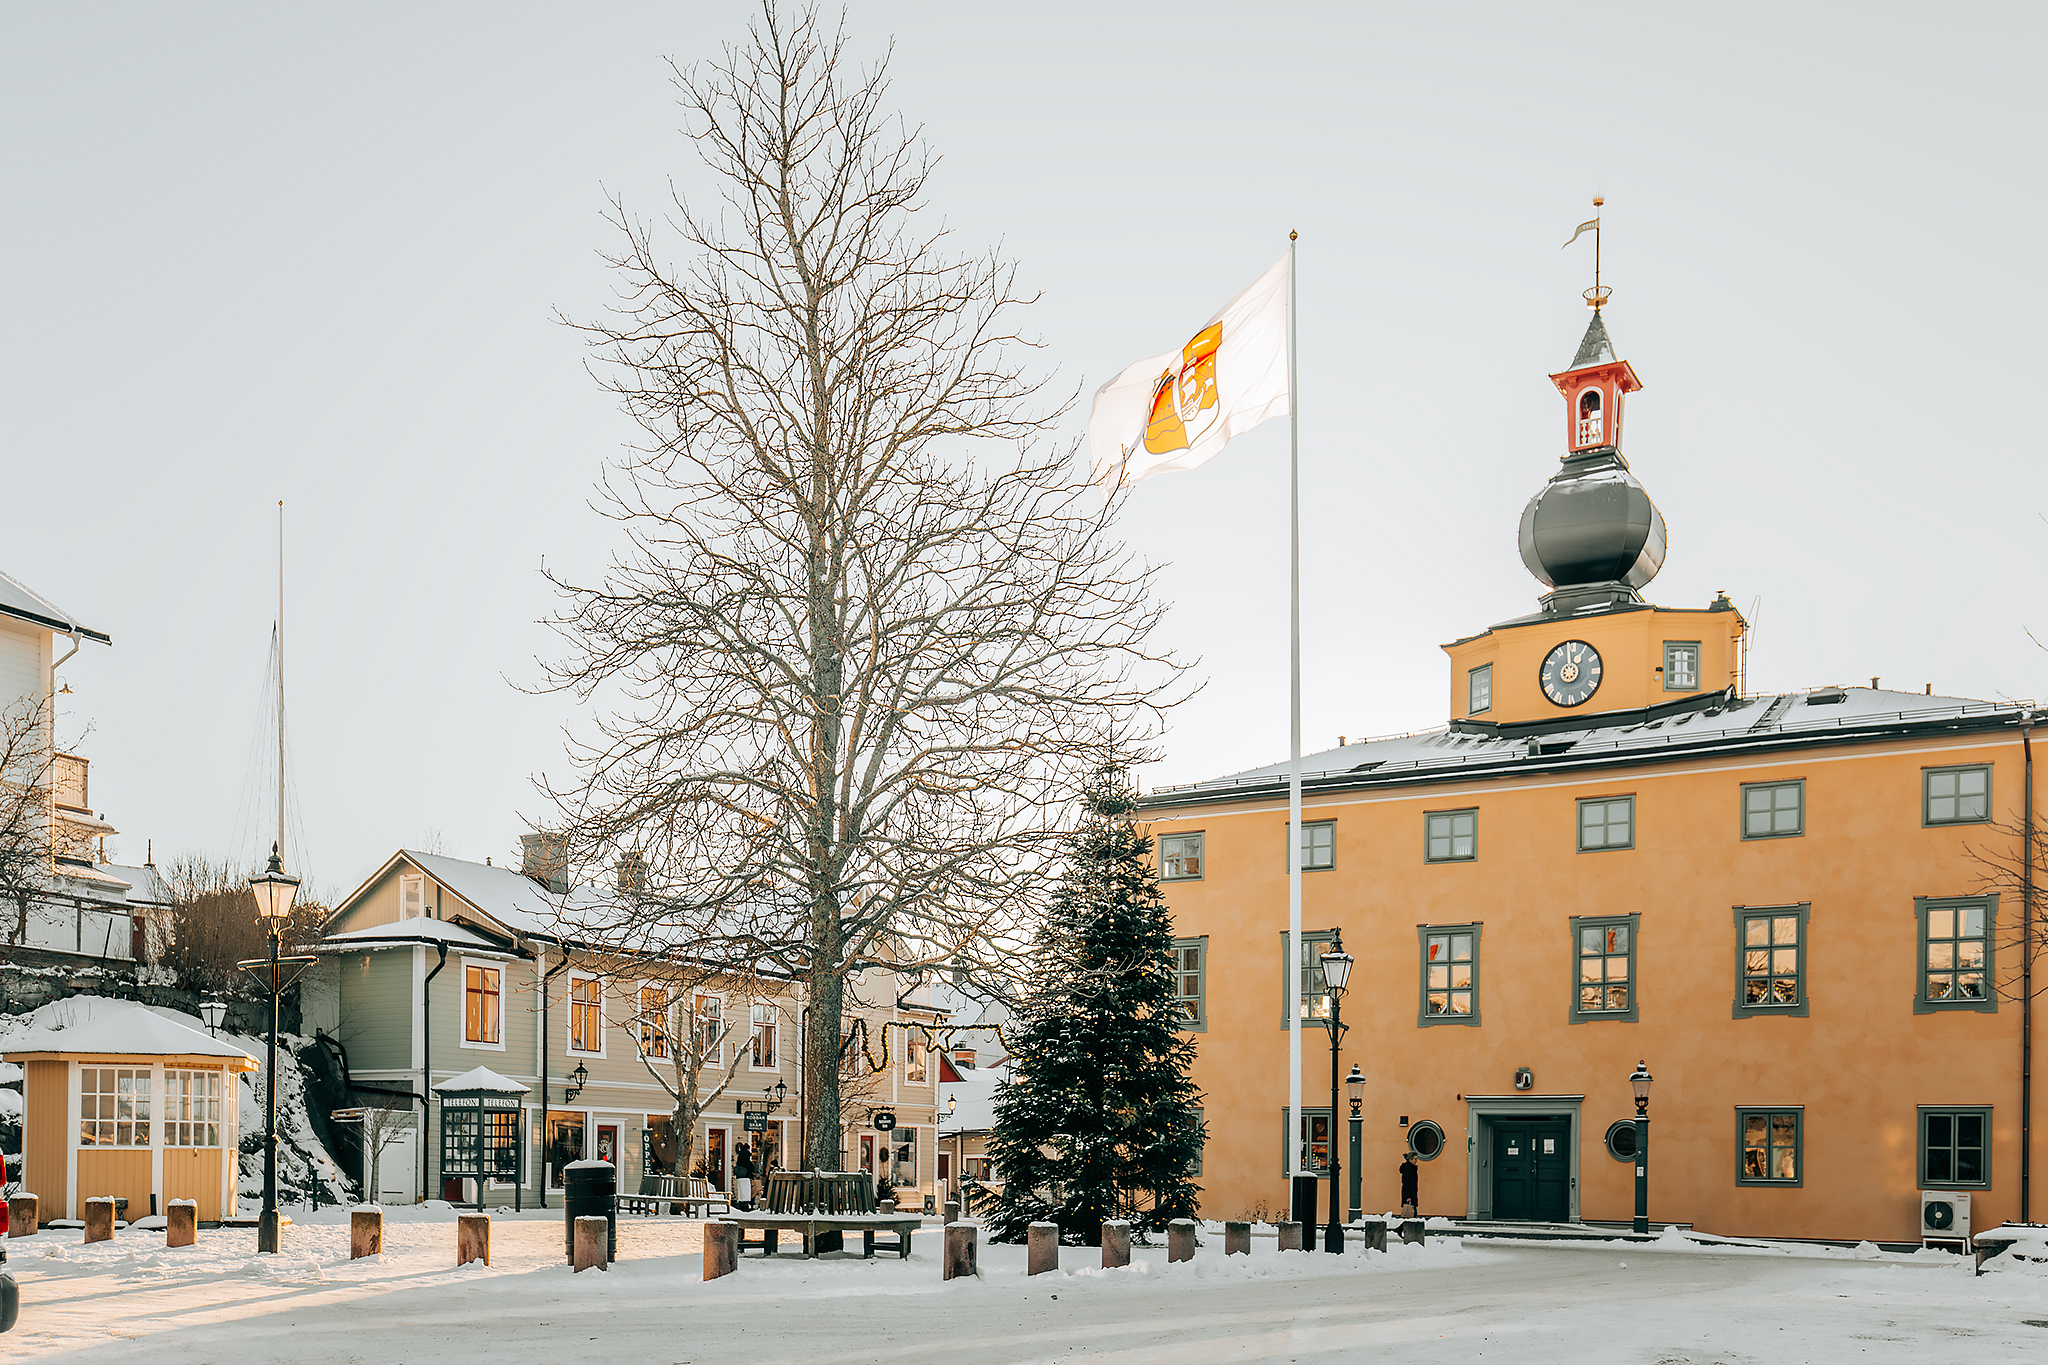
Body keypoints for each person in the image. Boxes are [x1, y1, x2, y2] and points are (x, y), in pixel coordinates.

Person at [733, 1144, 756, 1211]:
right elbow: (750, 1166)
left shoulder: (740, 1156)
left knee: (741, 1190)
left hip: (739, 1176)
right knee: (746, 1190)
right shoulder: (745, 1156)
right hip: (745, 1176)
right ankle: (745, 1204)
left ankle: (741, 1203)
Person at [1399, 1153, 1419, 1218]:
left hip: (1411, 1194)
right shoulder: (1408, 1169)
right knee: (1411, 1214)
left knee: (1412, 1213)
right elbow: (1407, 1183)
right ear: (1411, 1159)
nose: (1416, 1161)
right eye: (1415, 1159)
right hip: (1410, 1195)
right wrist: (1408, 1196)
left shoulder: (1410, 1169)